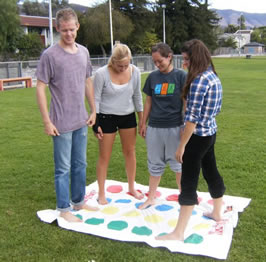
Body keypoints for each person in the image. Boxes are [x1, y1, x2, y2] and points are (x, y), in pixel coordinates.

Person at [156, 39, 226, 241]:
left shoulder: (199, 81)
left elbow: (192, 119)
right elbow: (214, 110)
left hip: (197, 138)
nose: (184, 63)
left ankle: (178, 232)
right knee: (211, 171)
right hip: (210, 134)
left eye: (186, 59)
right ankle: (217, 213)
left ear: (195, 58)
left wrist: (181, 146)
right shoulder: (212, 76)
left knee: (188, 181)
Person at [36, 8, 98, 223]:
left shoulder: (84, 52)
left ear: (77, 27)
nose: (69, 34)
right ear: (57, 29)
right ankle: (63, 208)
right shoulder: (50, 55)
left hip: (81, 119)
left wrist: (93, 109)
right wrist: (47, 121)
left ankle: (79, 201)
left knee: (80, 164)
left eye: (72, 30)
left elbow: (87, 81)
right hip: (60, 122)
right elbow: (41, 87)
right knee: (63, 168)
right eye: (64, 31)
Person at [93, 43, 144, 205]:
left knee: (130, 152)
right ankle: (101, 193)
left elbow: (137, 97)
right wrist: (96, 123)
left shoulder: (135, 72)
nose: (123, 68)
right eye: (119, 65)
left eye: (126, 65)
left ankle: (131, 187)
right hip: (106, 118)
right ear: (112, 61)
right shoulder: (101, 74)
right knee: (104, 156)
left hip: (127, 117)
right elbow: (96, 99)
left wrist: (142, 120)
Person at [138, 43, 187, 210]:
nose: (157, 65)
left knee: (178, 165)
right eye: (155, 62)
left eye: (160, 61)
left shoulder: (181, 76)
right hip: (154, 128)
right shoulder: (152, 77)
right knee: (154, 164)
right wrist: (143, 123)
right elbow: (149, 101)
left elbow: (185, 102)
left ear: (169, 56)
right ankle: (151, 198)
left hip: (175, 128)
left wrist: (185, 125)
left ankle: (184, 198)